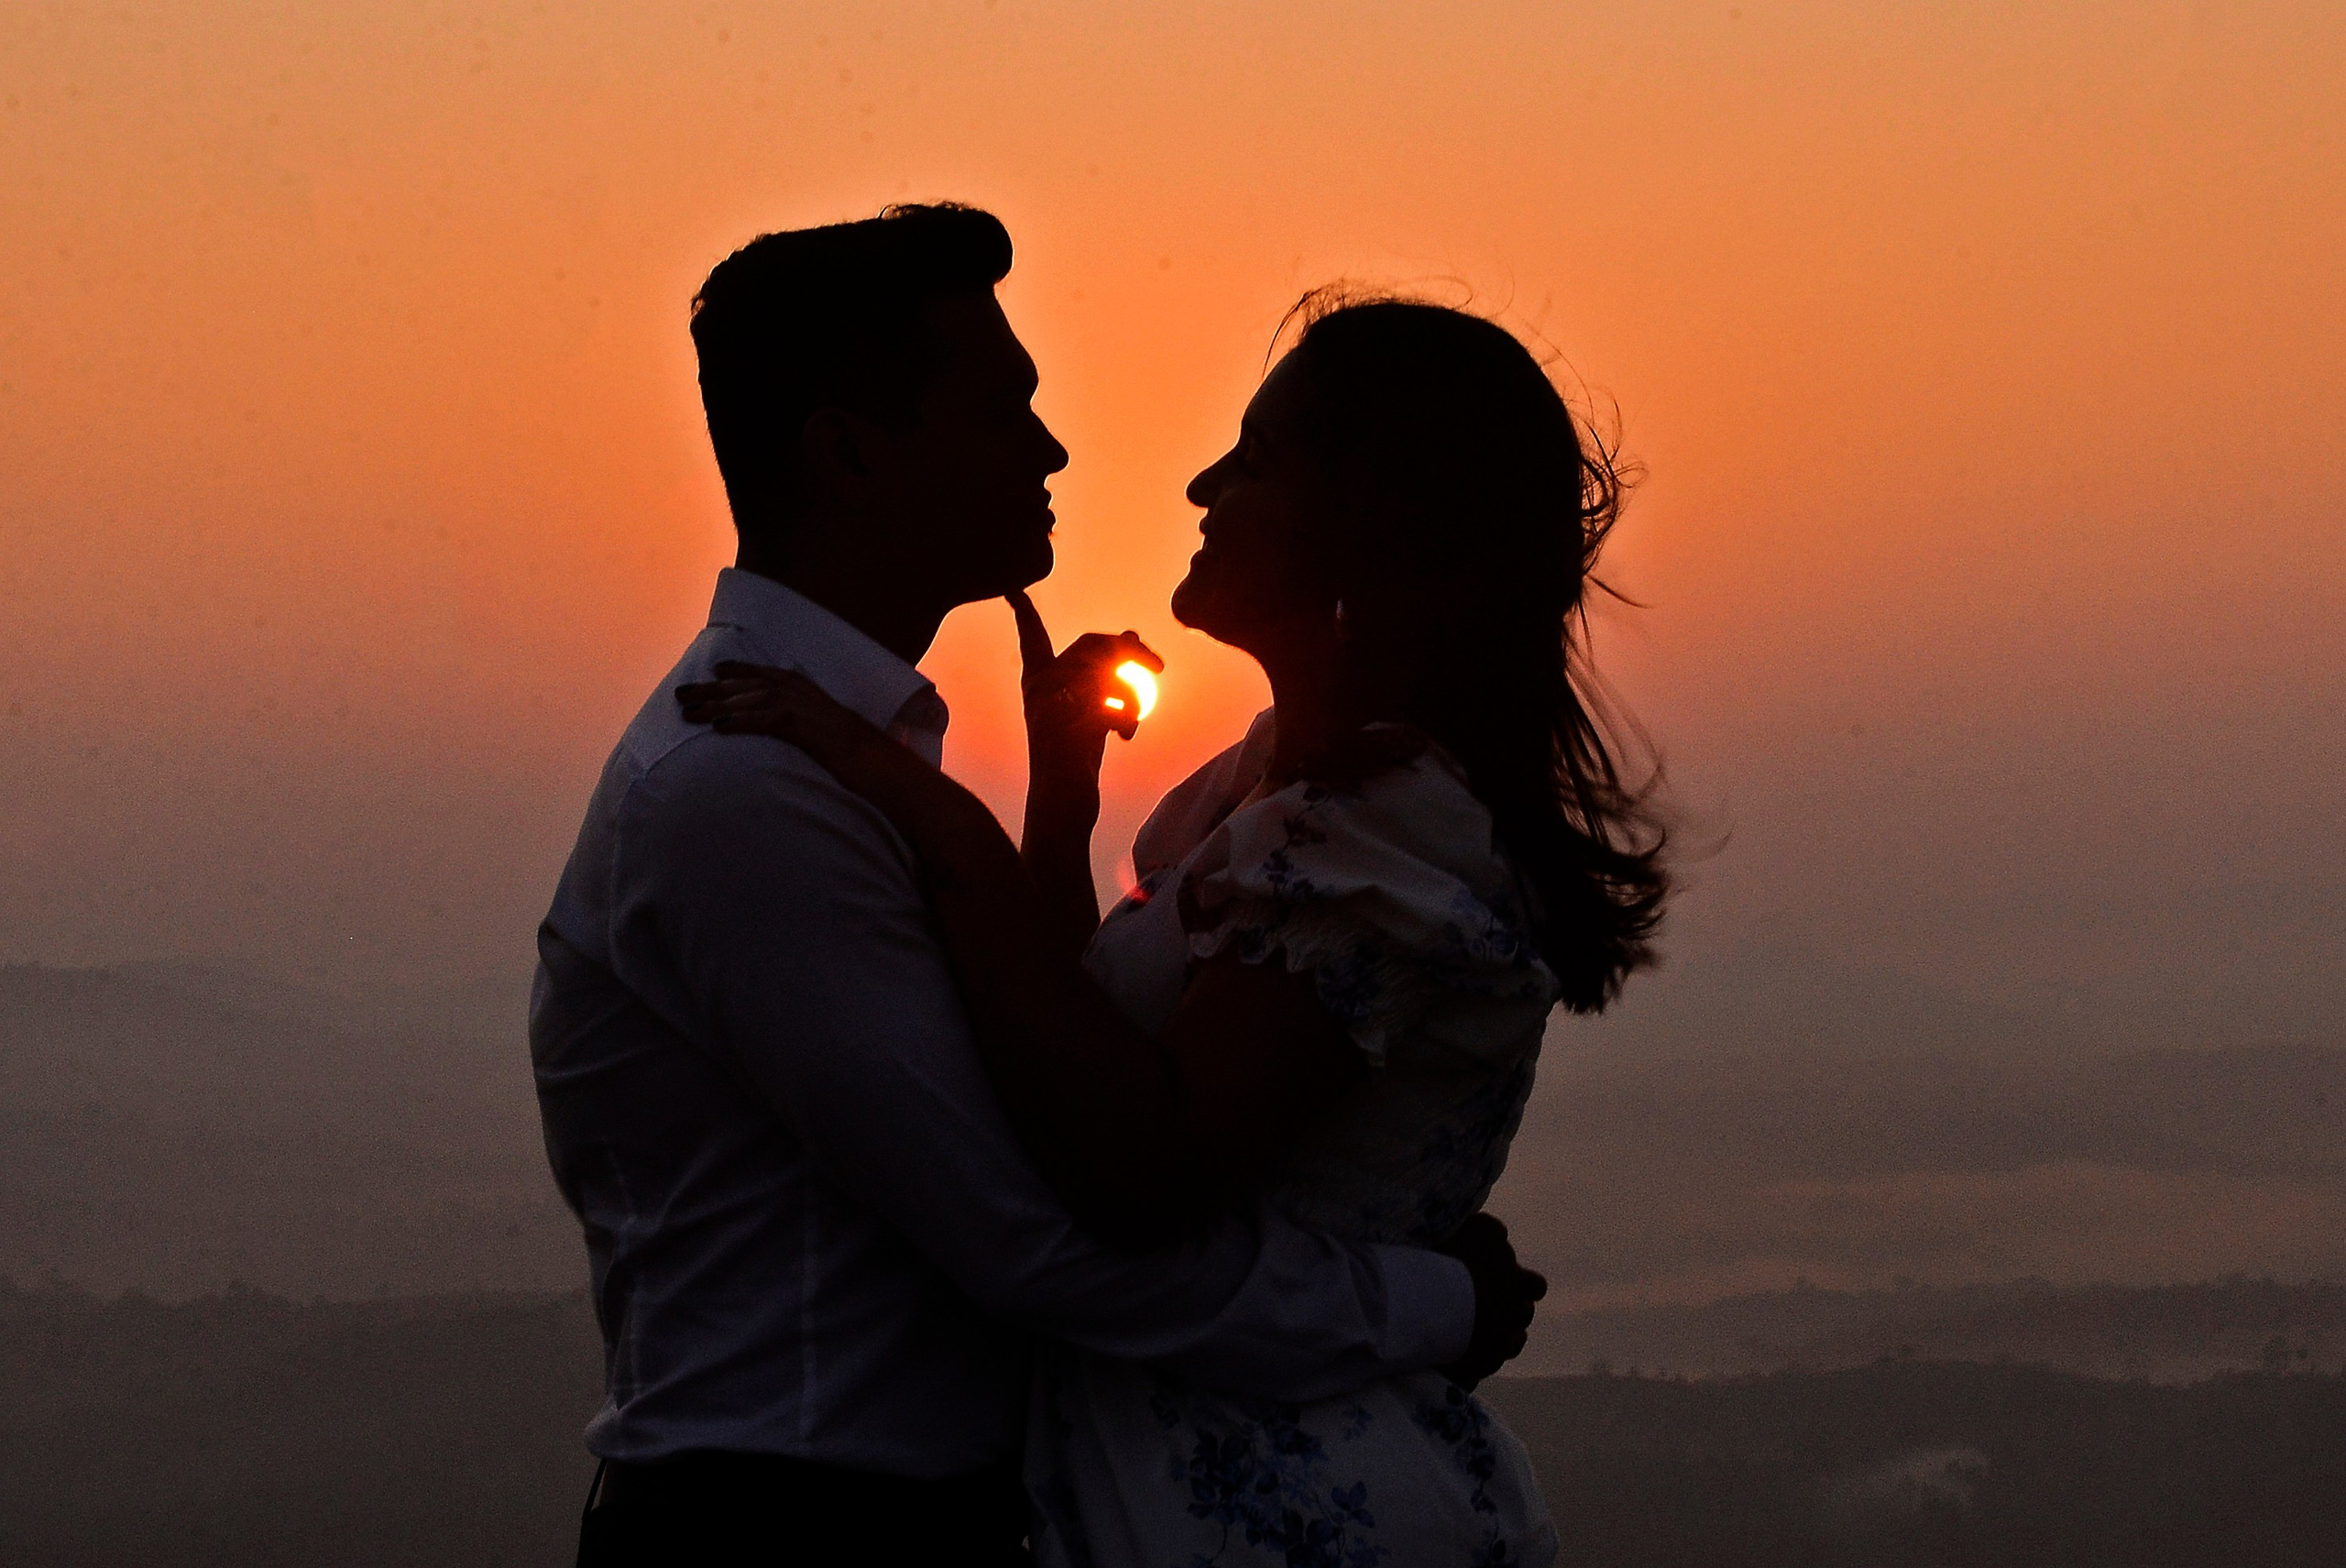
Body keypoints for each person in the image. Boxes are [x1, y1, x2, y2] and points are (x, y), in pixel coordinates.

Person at [528, 206, 1549, 1568]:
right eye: (1004, 410)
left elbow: (1074, 1083)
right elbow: (1047, 1240)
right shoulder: (753, 791)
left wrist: (1044, 820)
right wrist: (1436, 1306)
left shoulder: (843, 756)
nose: (1054, 449)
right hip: (800, 1529)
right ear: (846, 456)